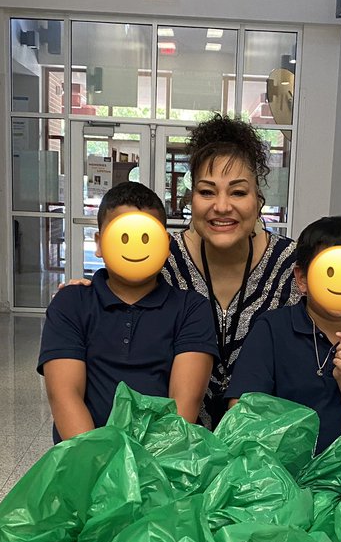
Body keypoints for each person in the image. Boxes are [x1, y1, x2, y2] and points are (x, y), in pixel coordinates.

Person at [163, 114, 341, 427]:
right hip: (175, 439)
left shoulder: (290, 263)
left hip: (263, 450)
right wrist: (81, 291)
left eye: (238, 192)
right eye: (207, 192)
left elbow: (332, 304)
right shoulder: (162, 261)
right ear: (190, 198)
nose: (221, 206)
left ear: (258, 200)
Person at [38, 181, 218, 442]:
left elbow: (184, 407)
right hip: (86, 461)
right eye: (122, 236)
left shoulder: (192, 309)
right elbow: (65, 397)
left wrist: (144, 473)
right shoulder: (71, 303)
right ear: (99, 243)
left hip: (162, 465)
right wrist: (101, 467)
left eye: (146, 237)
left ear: (165, 246)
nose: (134, 247)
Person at [226, 216, 341, 454]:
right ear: (302, 279)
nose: (340, 281)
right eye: (329, 271)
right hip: (279, 473)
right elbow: (242, 412)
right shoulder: (272, 329)